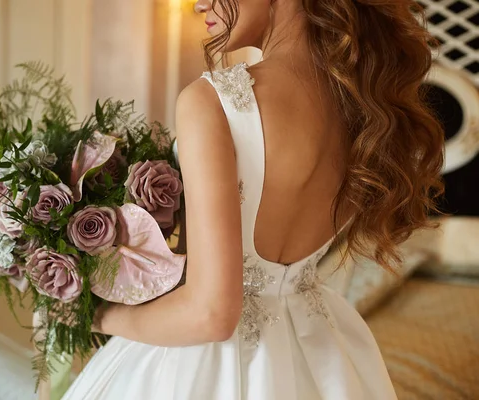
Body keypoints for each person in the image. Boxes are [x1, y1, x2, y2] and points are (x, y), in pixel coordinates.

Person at [62, 0, 443, 398]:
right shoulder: (366, 112)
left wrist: (98, 314)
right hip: (321, 356)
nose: (199, 4)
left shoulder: (213, 101)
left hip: (204, 366)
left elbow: (211, 314)